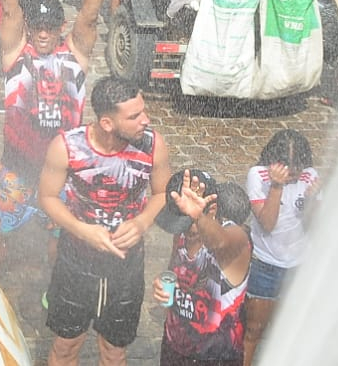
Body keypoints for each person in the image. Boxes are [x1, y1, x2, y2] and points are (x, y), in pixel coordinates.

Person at [39, 76, 173, 366]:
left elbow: (162, 193)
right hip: (75, 262)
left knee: (114, 352)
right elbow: (47, 197)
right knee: (65, 346)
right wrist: (82, 230)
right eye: (134, 116)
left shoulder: (153, 145)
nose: (146, 120)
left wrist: (142, 222)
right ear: (107, 123)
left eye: (143, 111)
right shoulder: (67, 147)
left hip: (126, 267)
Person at [0, 0, 94, 279]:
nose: (43, 34)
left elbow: (89, 18)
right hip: (17, 167)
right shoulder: (17, 54)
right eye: (37, 28)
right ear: (29, 28)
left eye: (50, 28)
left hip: (59, 172)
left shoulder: (74, 56)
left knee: (58, 234)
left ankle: (53, 290)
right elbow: (10, 10)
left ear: (61, 28)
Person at [153, 170, 254, 366]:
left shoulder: (237, 239)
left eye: (187, 223)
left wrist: (198, 217)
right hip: (174, 349)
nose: (182, 231)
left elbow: (220, 243)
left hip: (216, 357)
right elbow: (175, 273)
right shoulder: (182, 234)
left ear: (212, 210)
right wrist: (161, 285)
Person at [241, 131, 319, 366]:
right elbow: (267, 223)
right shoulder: (258, 176)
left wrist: (312, 201)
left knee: (288, 331)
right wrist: (277, 186)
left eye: (298, 165)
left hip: (298, 267)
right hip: (265, 266)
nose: (293, 171)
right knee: (253, 330)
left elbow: (314, 226)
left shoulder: (310, 177)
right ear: (272, 160)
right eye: (287, 165)